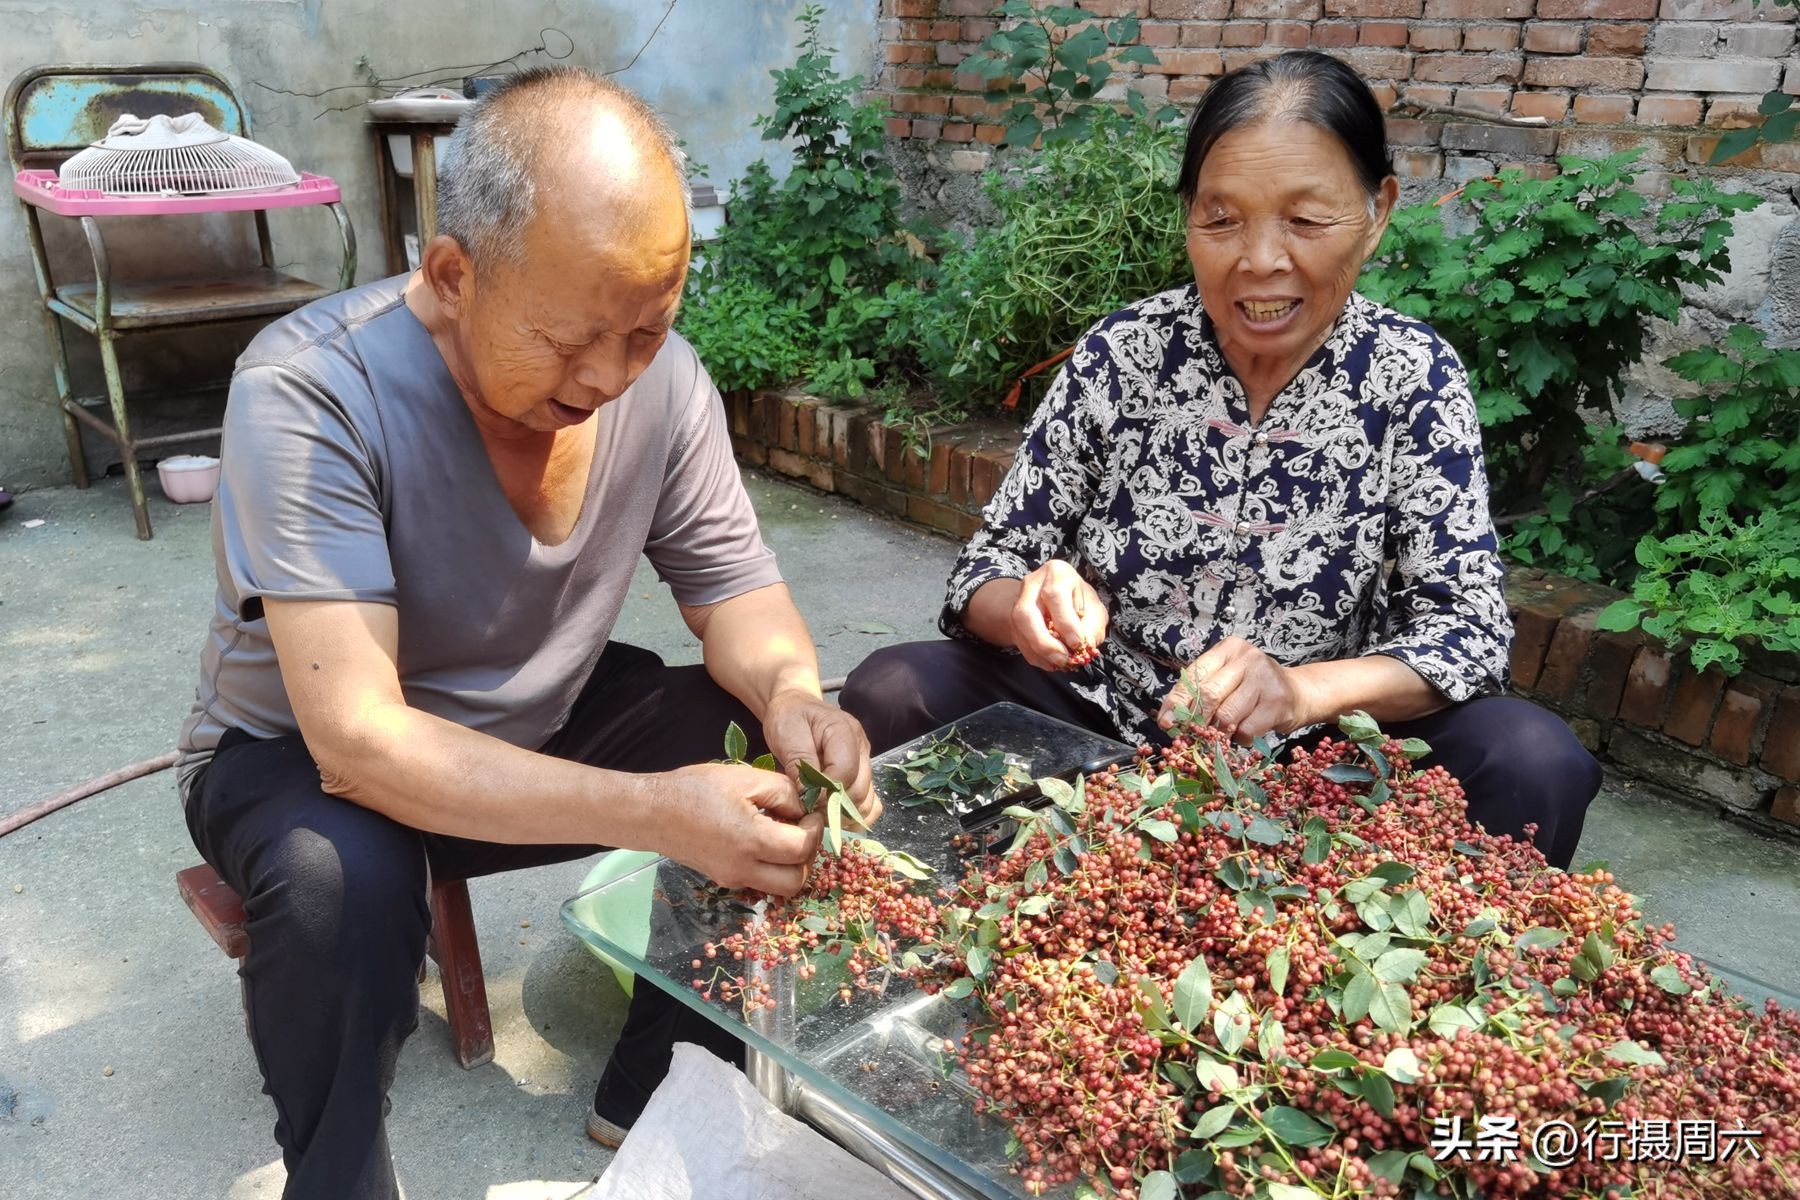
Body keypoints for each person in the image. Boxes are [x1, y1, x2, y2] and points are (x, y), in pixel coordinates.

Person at [175, 68, 876, 1200]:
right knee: (329, 881)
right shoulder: (309, 391)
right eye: (567, 340)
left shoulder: (668, 389)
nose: (607, 377)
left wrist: (795, 691)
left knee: (768, 754)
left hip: (540, 721)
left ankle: (661, 1079)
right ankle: (338, 1173)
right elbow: (357, 741)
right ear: (452, 276)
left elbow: (735, 588)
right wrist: (657, 813)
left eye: (646, 330)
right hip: (303, 763)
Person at [842, 50, 1599, 871]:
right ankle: (935, 952)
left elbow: (1469, 632)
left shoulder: (1413, 378)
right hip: (1094, 719)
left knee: (1531, 758)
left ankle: (1432, 971)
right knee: (893, 689)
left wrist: (1302, 691)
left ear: (1378, 210)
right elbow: (985, 571)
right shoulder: (1122, 355)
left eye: (1306, 221)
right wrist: (1026, 606)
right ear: (1188, 216)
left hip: (1316, 755)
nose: (1260, 260)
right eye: (1222, 218)